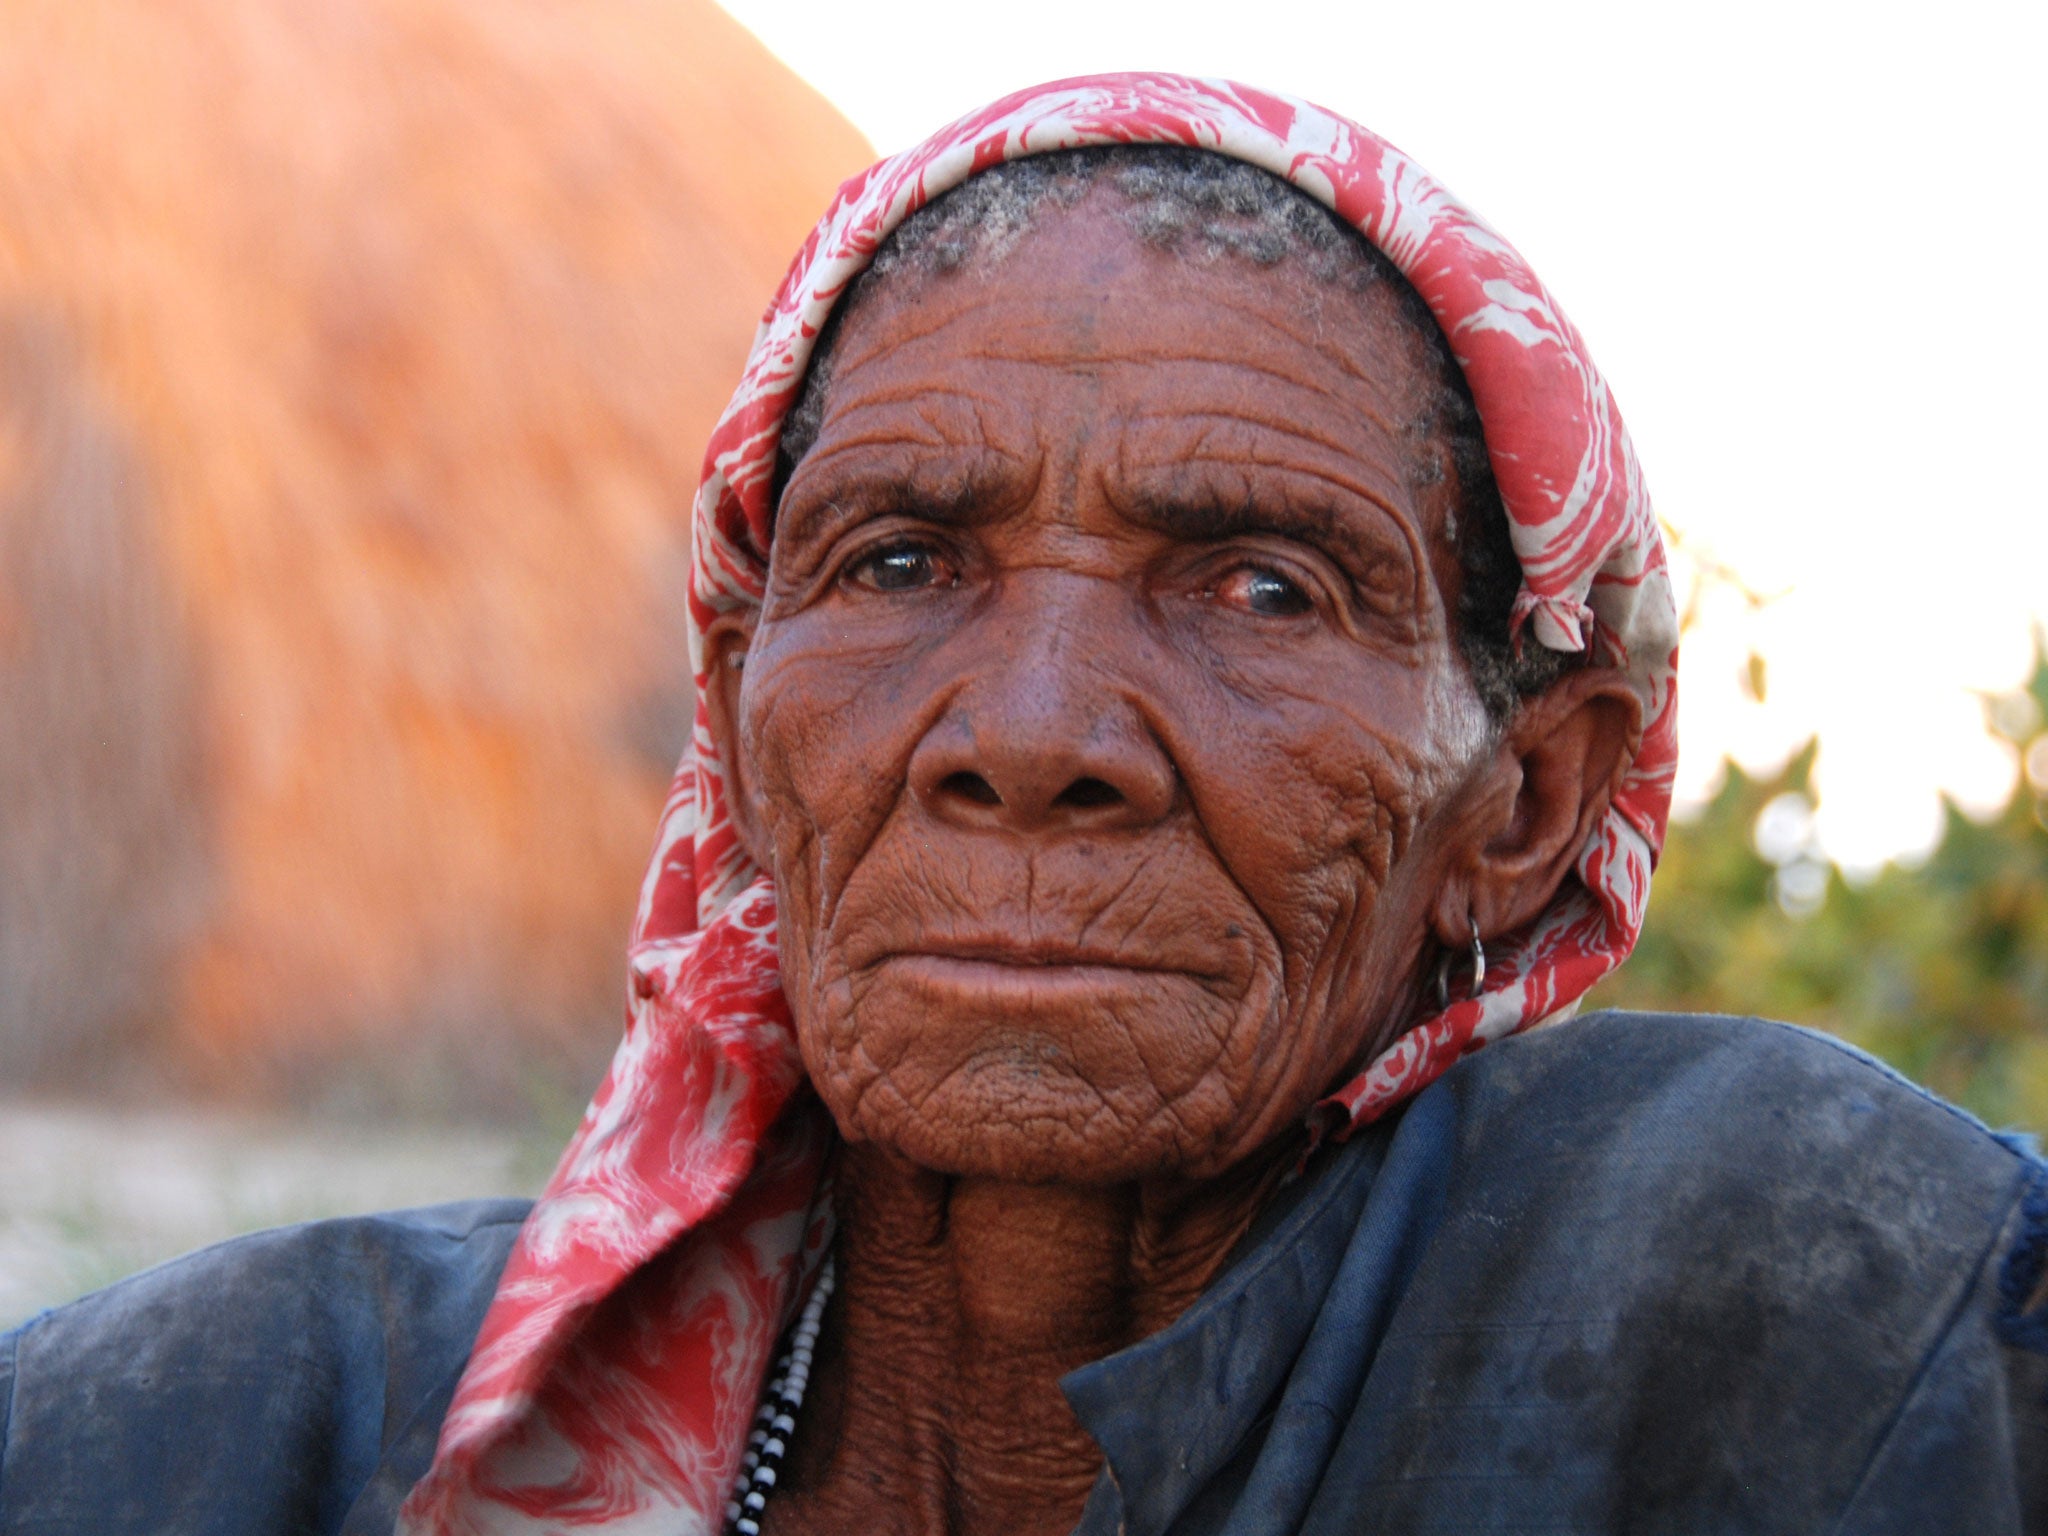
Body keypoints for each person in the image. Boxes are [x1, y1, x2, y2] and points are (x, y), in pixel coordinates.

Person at [4, 73, 2046, 1536]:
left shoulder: (1801, 1297)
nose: (1033, 729)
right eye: (897, 564)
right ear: (734, 713)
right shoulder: (237, 1425)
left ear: (1524, 799)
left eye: (1258, 585)